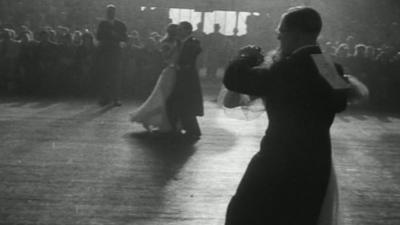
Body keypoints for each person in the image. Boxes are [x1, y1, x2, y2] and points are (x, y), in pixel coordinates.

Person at [223, 6, 365, 225]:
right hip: (316, 161)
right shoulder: (330, 66)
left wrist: (246, 57)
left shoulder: (286, 68)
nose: (278, 36)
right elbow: (339, 103)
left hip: (278, 157)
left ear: (295, 33)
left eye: (282, 30)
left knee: (244, 213)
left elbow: (235, 79)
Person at [130, 24, 180, 132]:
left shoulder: (174, 42)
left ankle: (167, 121)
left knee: (166, 97)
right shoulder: (167, 43)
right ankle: (158, 120)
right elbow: (165, 57)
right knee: (163, 97)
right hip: (169, 71)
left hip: (173, 71)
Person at [166, 21, 203, 141]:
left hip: (188, 78)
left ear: (188, 30)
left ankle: (190, 130)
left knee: (185, 104)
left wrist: (181, 66)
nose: (179, 31)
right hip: (181, 77)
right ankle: (181, 128)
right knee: (180, 103)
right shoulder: (181, 42)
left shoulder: (192, 42)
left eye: (181, 29)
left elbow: (191, 57)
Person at [95, 4, 127, 106]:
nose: (110, 13)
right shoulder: (102, 24)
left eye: (112, 11)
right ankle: (105, 98)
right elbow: (98, 36)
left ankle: (116, 98)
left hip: (115, 53)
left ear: (114, 12)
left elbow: (125, 38)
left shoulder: (121, 24)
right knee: (104, 76)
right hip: (105, 53)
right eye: (109, 11)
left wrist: (115, 36)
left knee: (116, 77)